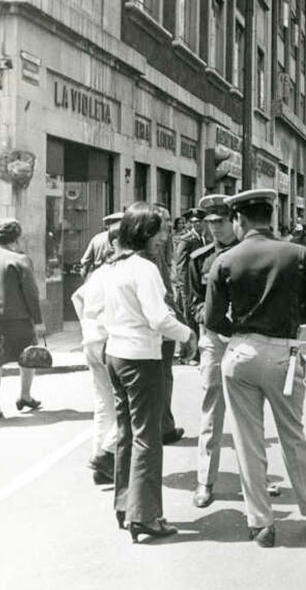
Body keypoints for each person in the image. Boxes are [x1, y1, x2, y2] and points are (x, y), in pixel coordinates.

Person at [204, 189, 306, 549]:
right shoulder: (299, 254)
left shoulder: (225, 260)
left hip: (240, 352)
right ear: (271, 217)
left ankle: (261, 523)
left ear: (240, 220)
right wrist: (289, 321)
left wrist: (241, 333)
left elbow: (212, 318)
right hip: (283, 352)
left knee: (247, 440)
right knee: (293, 433)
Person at [86, 202, 197, 542]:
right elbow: (158, 318)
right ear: (146, 234)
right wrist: (187, 334)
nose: (165, 236)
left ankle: (125, 507)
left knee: (127, 434)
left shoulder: (111, 267)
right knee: (148, 437)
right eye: (160, 230)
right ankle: (146, 516)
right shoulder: (144, 269)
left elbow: (93, 309)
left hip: (115, 355)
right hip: (141, 358)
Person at [186, 195, 240, 508]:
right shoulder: (200, 258)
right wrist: (207, 319)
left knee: (250, 413)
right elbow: (193, 300)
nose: (215, 228)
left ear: (234, 220)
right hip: (214, 341)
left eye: (220, 222)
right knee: (211, 409)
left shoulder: (249, 254)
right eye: (210, 223)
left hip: (245, 337)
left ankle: (254, 479)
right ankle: (205, 481)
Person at [0, 218, 46, 421]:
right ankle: (25, 395)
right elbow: (31, 293)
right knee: (27, 357)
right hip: (19, 319)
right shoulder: (21, 260)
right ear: (16, 238)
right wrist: (39, 320)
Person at [71, 221, 121, 485]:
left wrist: (85, 326)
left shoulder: (98, 273)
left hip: (91, 341)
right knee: (126, 405)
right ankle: (107, 454)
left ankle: (101, 463)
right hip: (108, 342)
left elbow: (76, 298)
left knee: (104, 405)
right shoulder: (118, 271)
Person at [148, 205, 184, 444]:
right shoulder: (152, 250)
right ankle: (163, 427)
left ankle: (165, 423)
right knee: (162, 376)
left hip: (165, 313)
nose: (169, 226)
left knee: (164, 375)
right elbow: (161, 285)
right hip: (159, 319)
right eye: (165, 221)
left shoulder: (162, 245)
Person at [173, 208, 207, 325]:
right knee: (188, 319)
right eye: (193, 222)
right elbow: (181, 266)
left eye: (199, 221)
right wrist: (184, 290)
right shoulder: (186, 240)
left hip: (199, 285)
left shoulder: (204, 239)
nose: (196, 224)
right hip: (189, 286)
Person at [80, 212, 124, 279]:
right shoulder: (127, 239)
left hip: (101, 276)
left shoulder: (97, 238)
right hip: (115, 277)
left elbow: (85, 264)